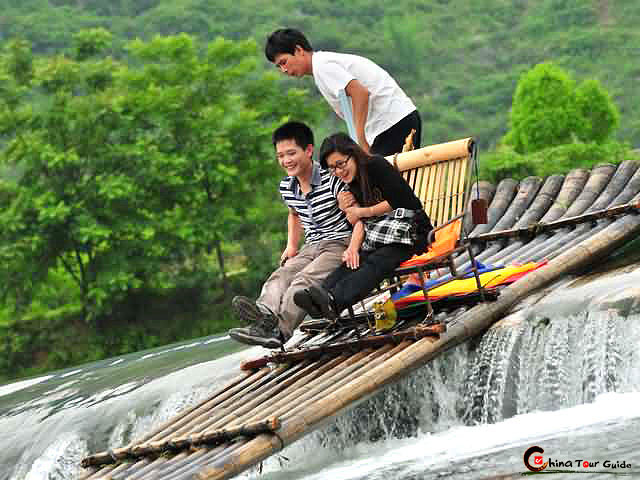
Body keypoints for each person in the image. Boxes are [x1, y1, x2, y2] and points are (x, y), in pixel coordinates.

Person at [228, 122, 362, 348]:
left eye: (291, 153)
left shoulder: (332, 179)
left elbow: (357, 218)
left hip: (338, 243)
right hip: (311, 246)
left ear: (308, 150)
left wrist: (353, 248)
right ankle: (264, 316)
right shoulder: (287, 187)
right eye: (280, 155)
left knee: (303, 280)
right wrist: (291, 245)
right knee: (281, 275)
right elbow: (294, 214)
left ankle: (280, 332)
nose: (286, 160)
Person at [293, 133, 433, 321]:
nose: (339, 172)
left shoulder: (376, 165)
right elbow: (357, 222)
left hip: (412, 233)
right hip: (380, 235)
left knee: (376, 262)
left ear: (353, 154)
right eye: (333, 169)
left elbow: (401, 201)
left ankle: (334, 301)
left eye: (341, 164)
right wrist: (352, 246)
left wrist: (362, 211)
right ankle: (319, 296)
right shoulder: (351, 182)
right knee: (353, 261)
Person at [265, 28, 422, 157]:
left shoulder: (323, 66)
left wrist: (360, 139)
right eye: (279, 67)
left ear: (299, 50)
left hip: (391, 123)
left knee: (384, 185)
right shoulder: (322, 64)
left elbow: (360, 93)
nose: (284, 70)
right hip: (394, 121)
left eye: (284, 62)